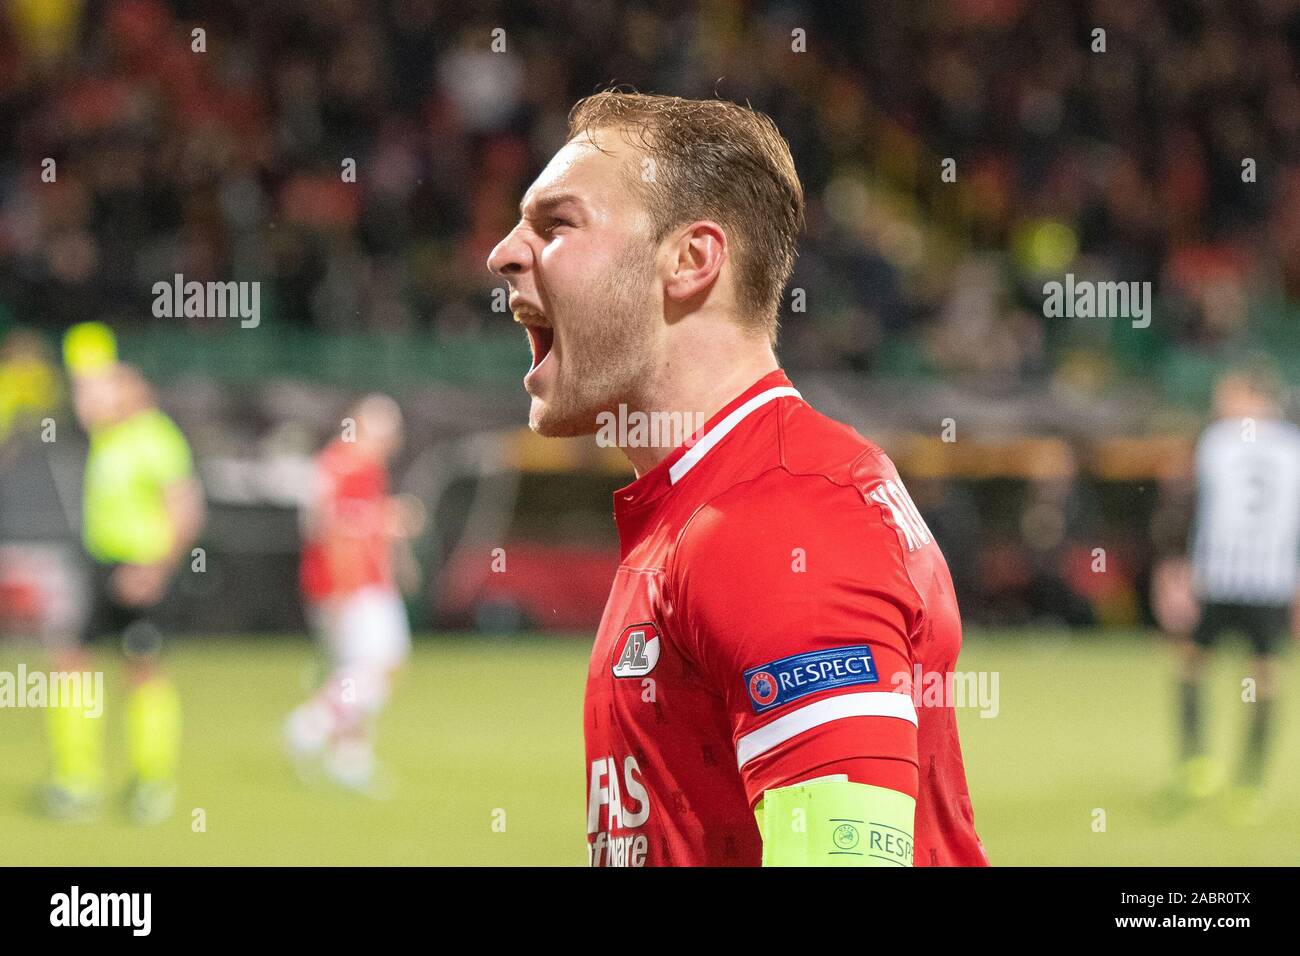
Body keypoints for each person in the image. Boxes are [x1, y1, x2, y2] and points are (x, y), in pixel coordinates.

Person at [487, 92, 986, 866]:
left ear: (691, 260)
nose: (505, 253)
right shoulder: (718, 499)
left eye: (558, 224)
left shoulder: (782, 518)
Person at [45, 322, 205, 823]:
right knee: (72, 666)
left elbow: (185, 508)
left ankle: (152, 785)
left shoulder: (155, 437)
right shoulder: (108, 435)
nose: (89, 395)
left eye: (105, 384)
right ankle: (77, 782)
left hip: (141, 570)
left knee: (144, 674)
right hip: (100, 565)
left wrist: (155, 569)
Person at [1169, 365, 1300, 824]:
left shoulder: (1217, 442)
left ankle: (1199, 763)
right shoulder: (1293, 446)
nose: (1221, 404)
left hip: (1220, 576)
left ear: (1252, 396)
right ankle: (1248, 780)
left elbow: (1189, 504)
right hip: (1272, 579)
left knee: (1192, 665)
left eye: (1229, 394)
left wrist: (1178, 567)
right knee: (1263, 676)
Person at [284, 394, 415, 794]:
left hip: (337, 584)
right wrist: (344, 590)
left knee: (352, 668)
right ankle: (312, 723)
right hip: (355, 586)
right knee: (382, 665)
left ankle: (349, 758)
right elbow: (339, 535)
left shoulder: (336, 463)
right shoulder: (354, 467)